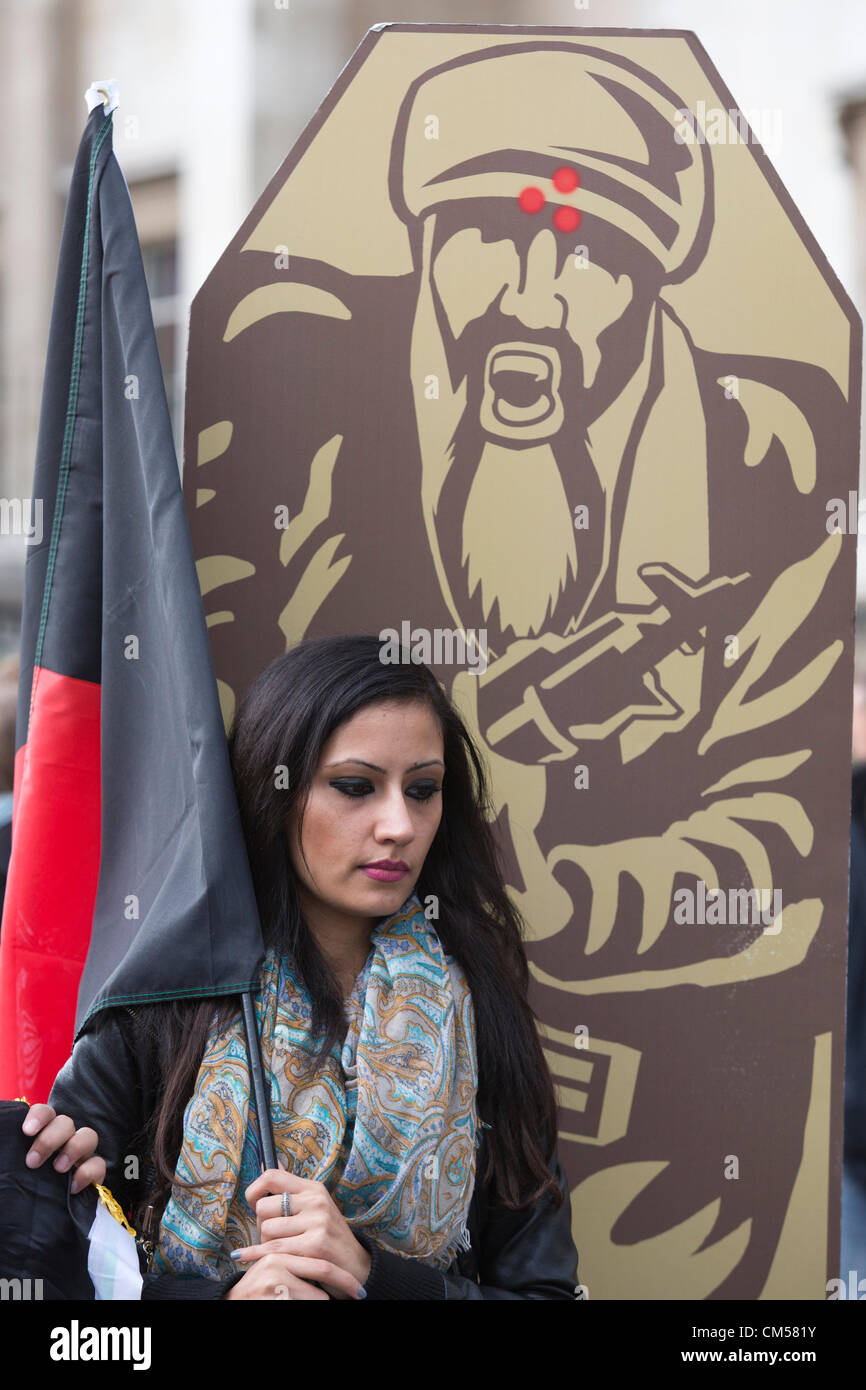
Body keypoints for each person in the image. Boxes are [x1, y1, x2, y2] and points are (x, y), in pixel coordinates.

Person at [20, 633, 579, 1299]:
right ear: (273, 791)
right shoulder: (172, 1000)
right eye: (354, 786)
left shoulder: (477, 1003)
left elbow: (545, 1292)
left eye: (423, 789)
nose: (399, 824)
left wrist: (375, 1275)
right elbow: (55, 1292)